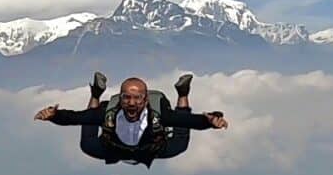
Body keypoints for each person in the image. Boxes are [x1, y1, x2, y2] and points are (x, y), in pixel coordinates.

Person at [33, 72, 228, 168]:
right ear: (121, 98)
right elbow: (76, 117)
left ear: (145, 99)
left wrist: (210, 121)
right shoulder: (109, 115)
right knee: (88, 142)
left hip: (151, 148)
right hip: (113, 148)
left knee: (179, 143)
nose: (132, 103)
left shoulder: (158, 117)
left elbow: (188, 122)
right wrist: (54, 116)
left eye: (137, 98)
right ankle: (96, 94)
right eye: (126, 98)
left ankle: (183, 93)